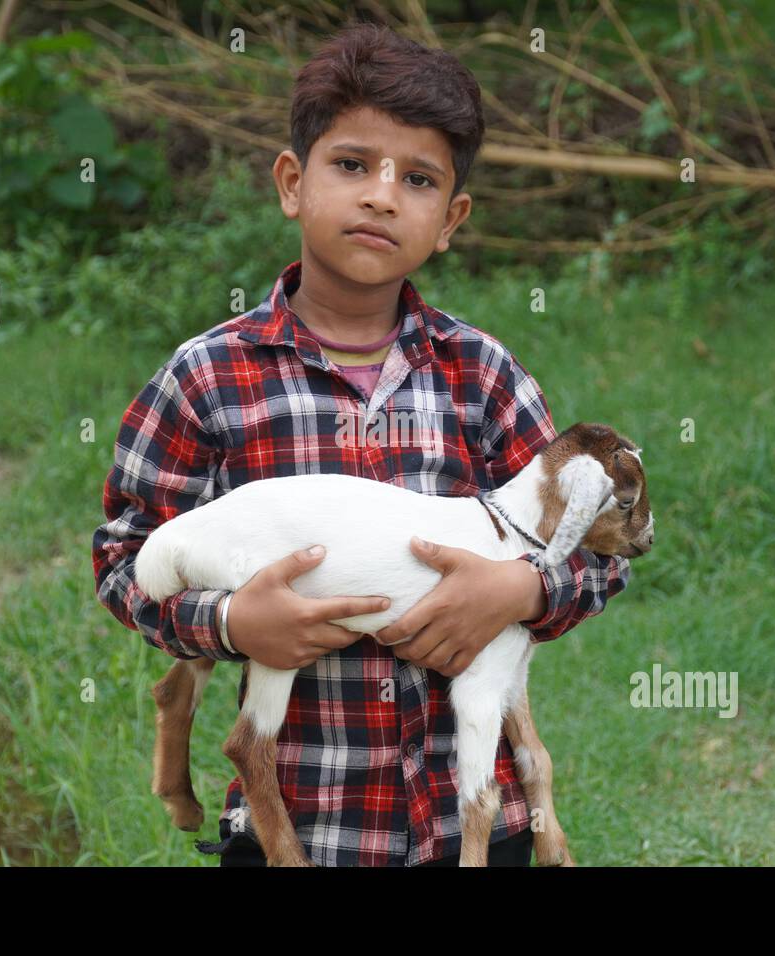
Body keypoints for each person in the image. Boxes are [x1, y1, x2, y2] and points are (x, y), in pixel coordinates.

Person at [92, 22, 627, 867]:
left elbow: (599, 554)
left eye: (416, 179)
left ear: (450, 219)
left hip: (473, 827)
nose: (382, 196)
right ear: (292, 184)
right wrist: (233, 622)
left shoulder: (485, 377)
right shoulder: (207, 379)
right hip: (306, 821)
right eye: (352, 166)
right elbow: (126, 563)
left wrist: (519, 590)